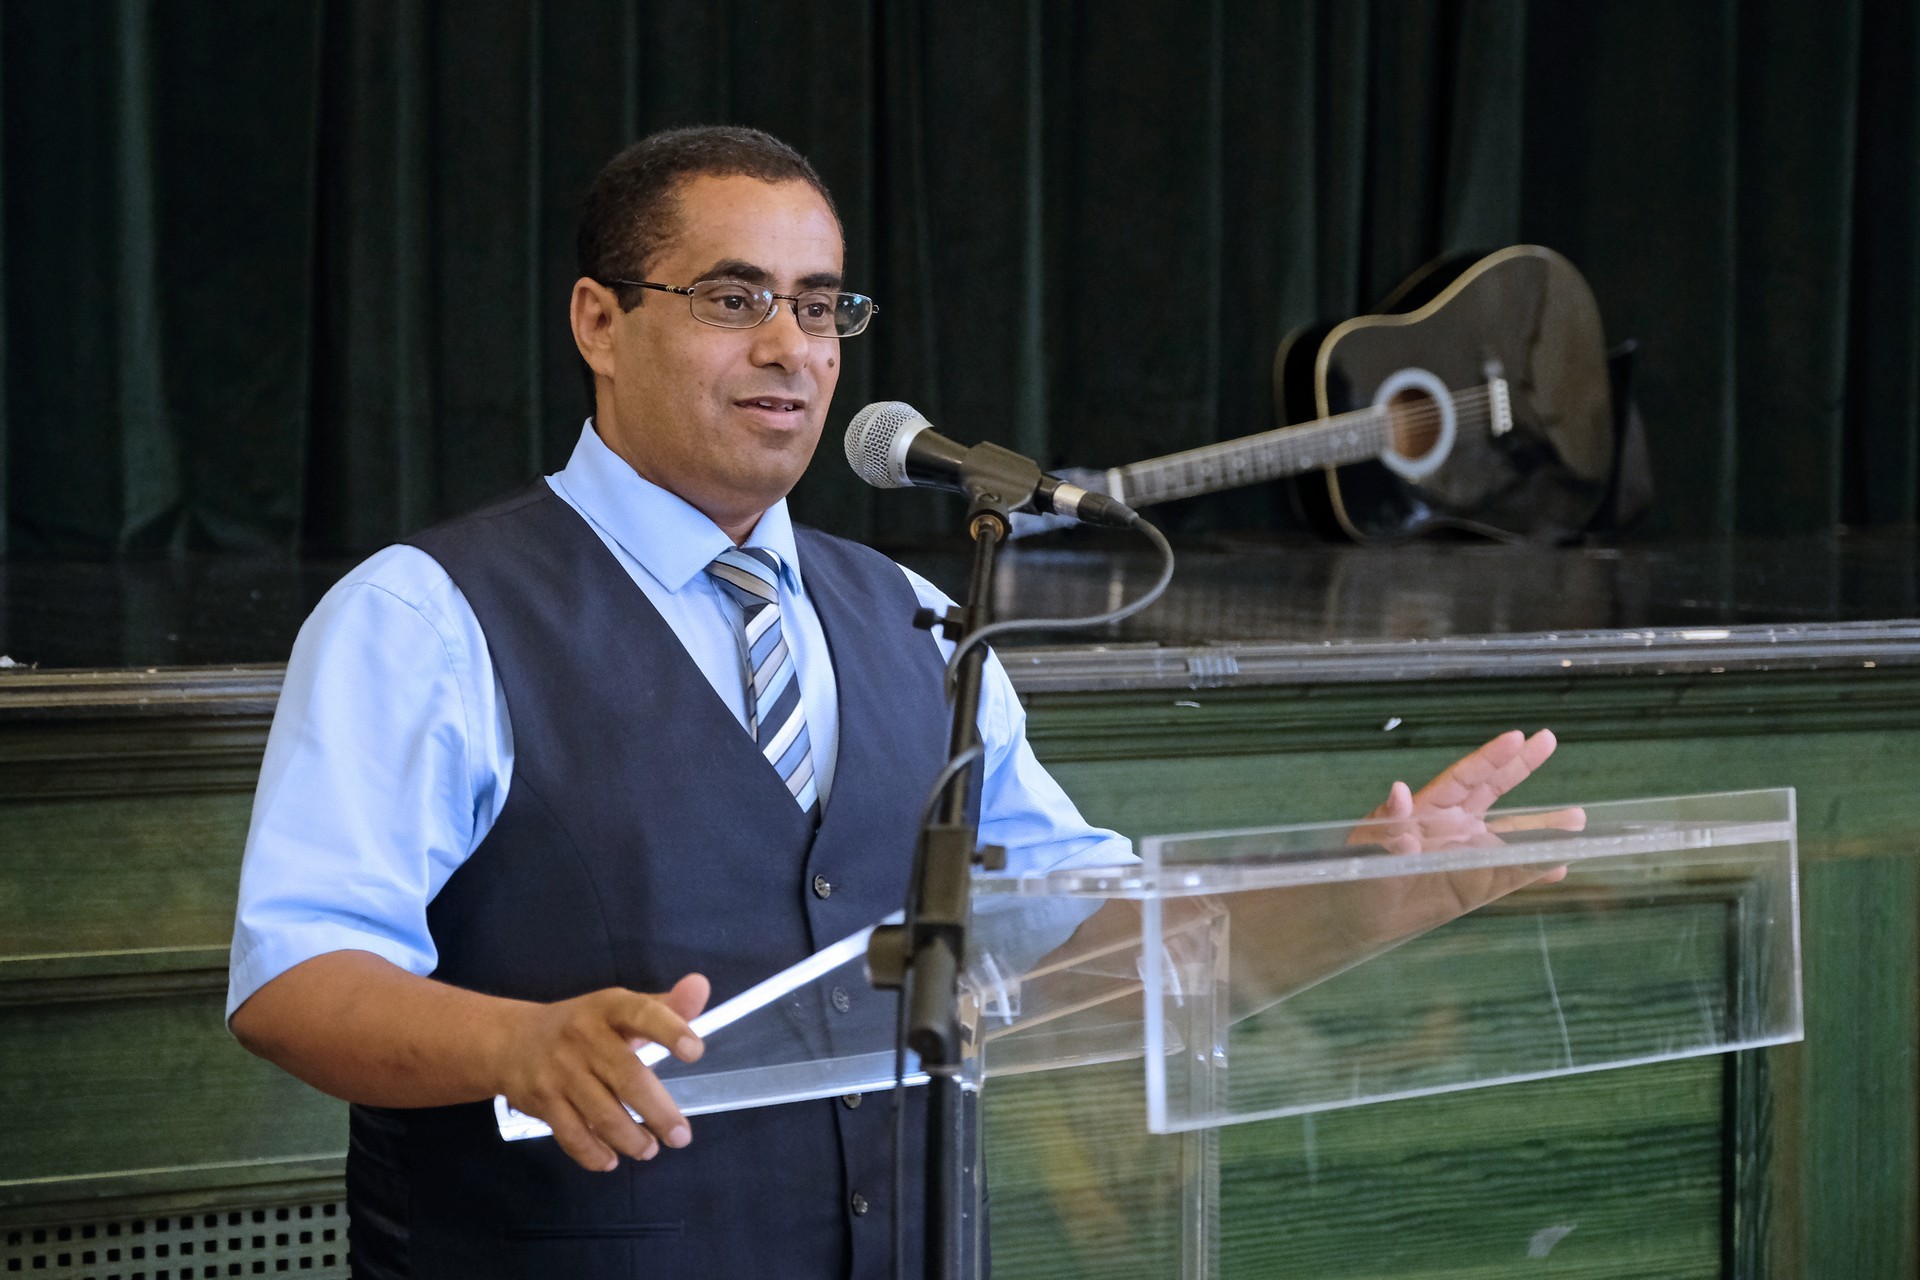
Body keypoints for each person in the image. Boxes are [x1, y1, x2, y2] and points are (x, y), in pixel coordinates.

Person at [226, 124, 1560, 1279]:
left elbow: (1088, 952)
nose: (790, 348)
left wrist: (1359, 897)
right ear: (599, 322)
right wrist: (520, 1043)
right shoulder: (427, 616)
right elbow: (295, 979)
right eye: (735, 298)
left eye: (820, 308)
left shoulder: (920, 622)